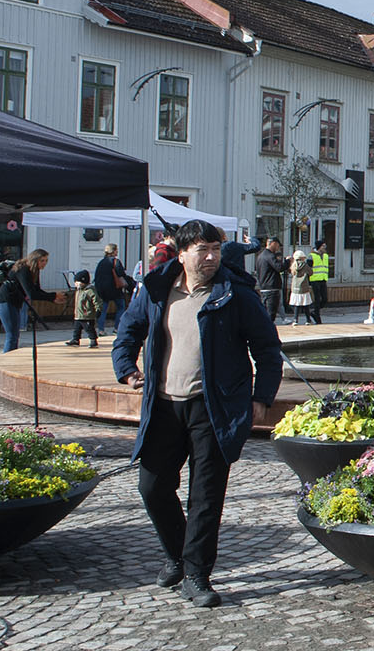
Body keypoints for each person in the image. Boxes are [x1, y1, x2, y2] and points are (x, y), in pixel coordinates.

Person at [113, 219, 283, 608]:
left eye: (216, 250)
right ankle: (177, 554)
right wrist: (126, 368)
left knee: (205, 496)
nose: (211, 257)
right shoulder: (157, 290)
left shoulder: (234, 292)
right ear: (182, 251)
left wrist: (262, 397)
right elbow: (128, 332)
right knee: (152, 487)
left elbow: (267, 349)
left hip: (214, 408)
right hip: (163, 406)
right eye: (202, 250)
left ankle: (196, 575)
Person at [0, 248, 56, 352]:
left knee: (15, 334)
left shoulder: (34, 270)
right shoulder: (23, 269)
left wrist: (53, 298)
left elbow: (37, 290)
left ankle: (11, 356)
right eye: (42, 260)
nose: (44, 263)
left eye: (46, 260)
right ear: (34, 260)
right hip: (5, 301)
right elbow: (31, 294)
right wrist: (53, 296)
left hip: (14, 302)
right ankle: (7, 359)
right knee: (12, 335)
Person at [93, 243, 127, 331]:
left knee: (103, 310)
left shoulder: (101, 262)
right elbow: (121, 274)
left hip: (102, 290)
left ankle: (101, 329)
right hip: (115, 288)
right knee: (121, 307)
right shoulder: (116, 261)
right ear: (114, 251)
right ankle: (117, 328)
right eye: (116, 250)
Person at [253, 237, 287, 321]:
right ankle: (267, 331)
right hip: (272, 287)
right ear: (273, 243)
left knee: (265, 312)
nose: (278, 248)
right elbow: (279, 267)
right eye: (278, 245)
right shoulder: (270, 255)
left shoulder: (260, 256)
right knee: (271, 313)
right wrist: (288, 262)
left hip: (264, 287)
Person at [68, 271, 102, 347]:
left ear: (84, 281)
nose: (76, 284)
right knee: (77, 328)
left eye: (78, 282)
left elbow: (97, 301)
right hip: (78, 315)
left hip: (87, 315)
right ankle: (75, 339)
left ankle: (93, 340)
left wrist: (98, 309)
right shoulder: (79, 290)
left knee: (89, 328)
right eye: (75, 282)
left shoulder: (89, 291)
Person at [287, 249, 315, 326]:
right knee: (306, 305)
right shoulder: (305, 265)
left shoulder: (293, 265)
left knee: (296, 305)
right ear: (302, 258)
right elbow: (311, 272)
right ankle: (308, 320)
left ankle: (295, 320)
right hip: (304, 287)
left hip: (295, 287)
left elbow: (290, 272)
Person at [307, 241, 331, 324]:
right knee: (317, 299)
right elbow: (308, 268)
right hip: (315, 280)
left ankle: (314, 312)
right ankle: (317, 316)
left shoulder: (325, 256)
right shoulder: (311, 256)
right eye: (323, 246)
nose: (325, 248)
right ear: (319, 247)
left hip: (323, 279)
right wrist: (308, 280)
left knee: (324, 299)